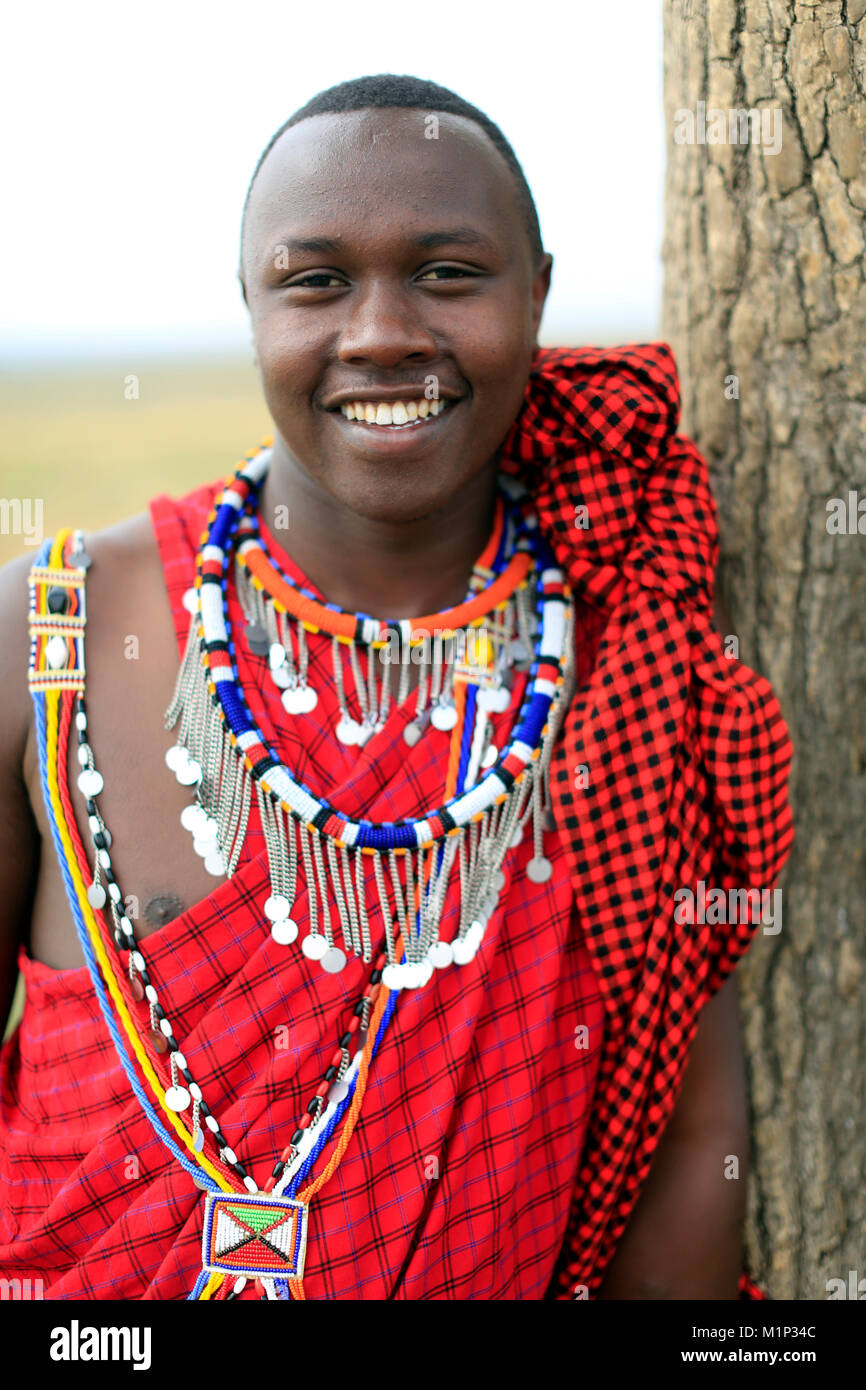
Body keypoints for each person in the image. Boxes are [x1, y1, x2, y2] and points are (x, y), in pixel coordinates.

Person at [0, 74, 793, 1301]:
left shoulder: (634, 654)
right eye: (314, 280)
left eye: (447, 274)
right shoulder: (49, 628)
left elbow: (687, 1140)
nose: (379, 331)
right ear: (252, 305)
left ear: (535, 295)